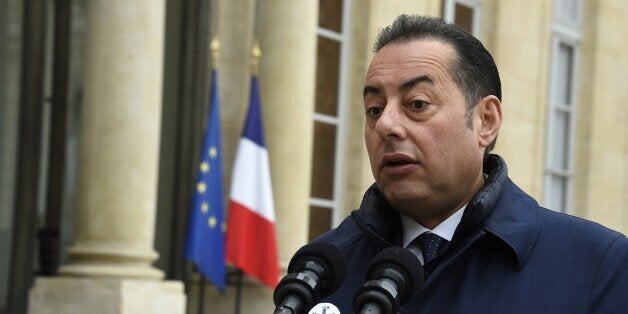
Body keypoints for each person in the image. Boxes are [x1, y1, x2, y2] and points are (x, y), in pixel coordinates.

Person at [314, 14, 628, 313]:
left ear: (485, 121)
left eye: (417, 104)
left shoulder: (596, 267)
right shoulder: (322, 270)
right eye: (374, 109)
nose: (386, 124)